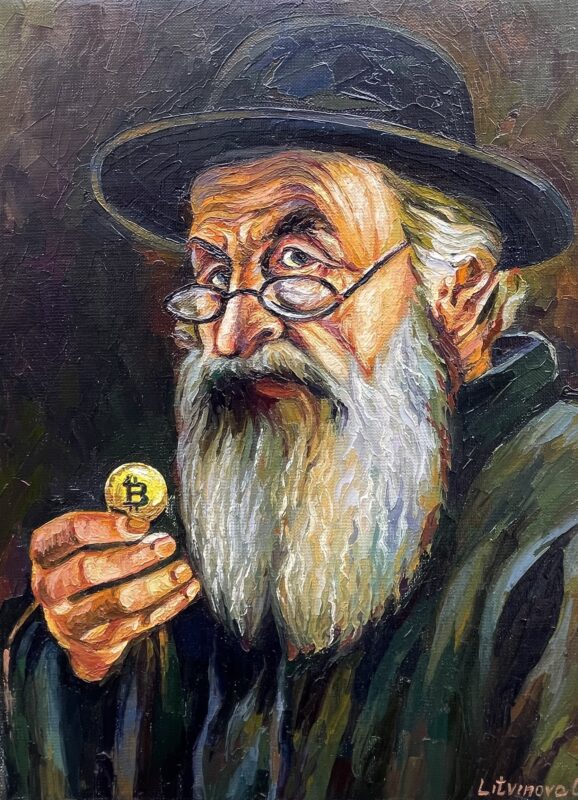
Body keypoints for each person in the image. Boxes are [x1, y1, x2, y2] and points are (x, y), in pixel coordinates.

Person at [3, 17, 578, 800]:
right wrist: (84, 663)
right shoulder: (217, 519)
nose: (231, 337)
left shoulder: (559, 533)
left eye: (299, 264)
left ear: (459, 289)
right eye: (214, 273)